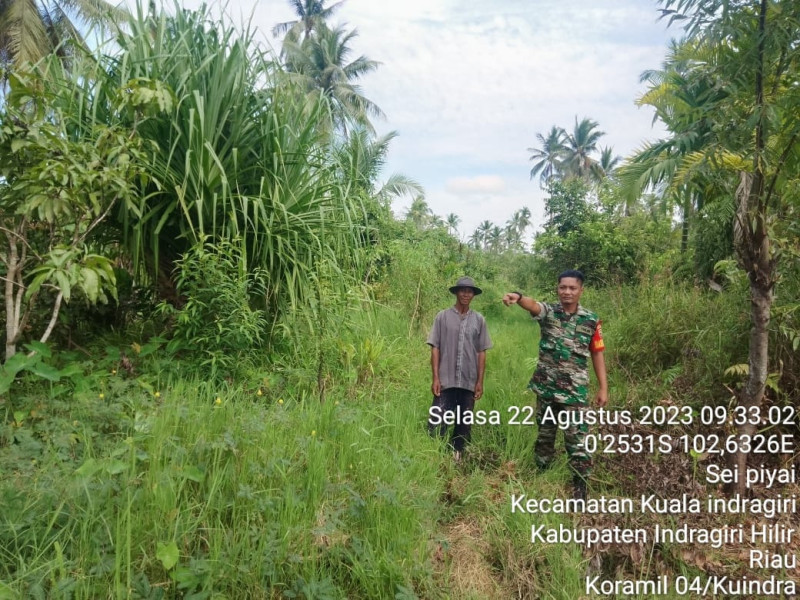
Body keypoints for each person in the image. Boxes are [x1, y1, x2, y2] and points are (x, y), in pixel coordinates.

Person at [503, 270, 607, 500]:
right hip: (547, 388)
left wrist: (603, 387)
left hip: (574, 392)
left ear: (581, 290)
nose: (567, 292)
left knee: (577, 438)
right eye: (563, 287)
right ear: (557, 289)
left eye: (572, 288)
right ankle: (543, 474)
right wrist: (518, 297)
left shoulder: (591, 320)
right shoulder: (549, 312)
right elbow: (533, 306)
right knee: (545, 435)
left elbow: (597, 353)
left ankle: (580, 485)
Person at [427, 276, 492, 462]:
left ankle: (458, 457)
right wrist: (436, 378)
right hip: (446, 380)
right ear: (456, 292)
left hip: (468, 380)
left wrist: (479, 382)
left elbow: (481, 352)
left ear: (473, 295)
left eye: (469, 291)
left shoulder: (479, 320)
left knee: (463, 423)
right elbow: (435, 347)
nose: (466, 294)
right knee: (437, 420)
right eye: (462, 290)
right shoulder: (442, 317)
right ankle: (434, 457)